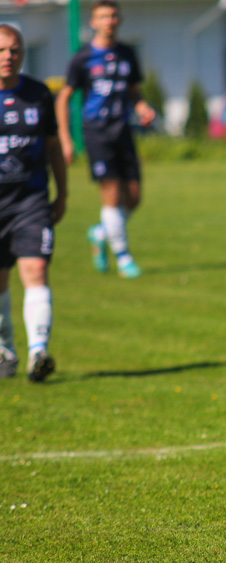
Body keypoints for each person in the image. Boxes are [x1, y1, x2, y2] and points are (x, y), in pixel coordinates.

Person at [55, 0, 154, 278]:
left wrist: (142, 107)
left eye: (113, 15)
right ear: (93, 22)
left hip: (123, 130)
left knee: (133, 197)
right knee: (111, 195)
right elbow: (64, 98)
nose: (109, 20)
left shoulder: (127, 54)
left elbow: (134, 91)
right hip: (97, 132)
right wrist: (66, 139)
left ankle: (100, 233)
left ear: (119, 19)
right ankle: (123, 257)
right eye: (102, 16)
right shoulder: (82, 58)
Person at [0, 24, 67, 382]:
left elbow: (53, 148)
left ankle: (39, 352)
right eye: (2, 51)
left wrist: (63, 194)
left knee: (35, 271)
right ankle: (5, 348)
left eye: (15, 50)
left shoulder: (39, 94)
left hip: (31, 202)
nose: (8, 57)